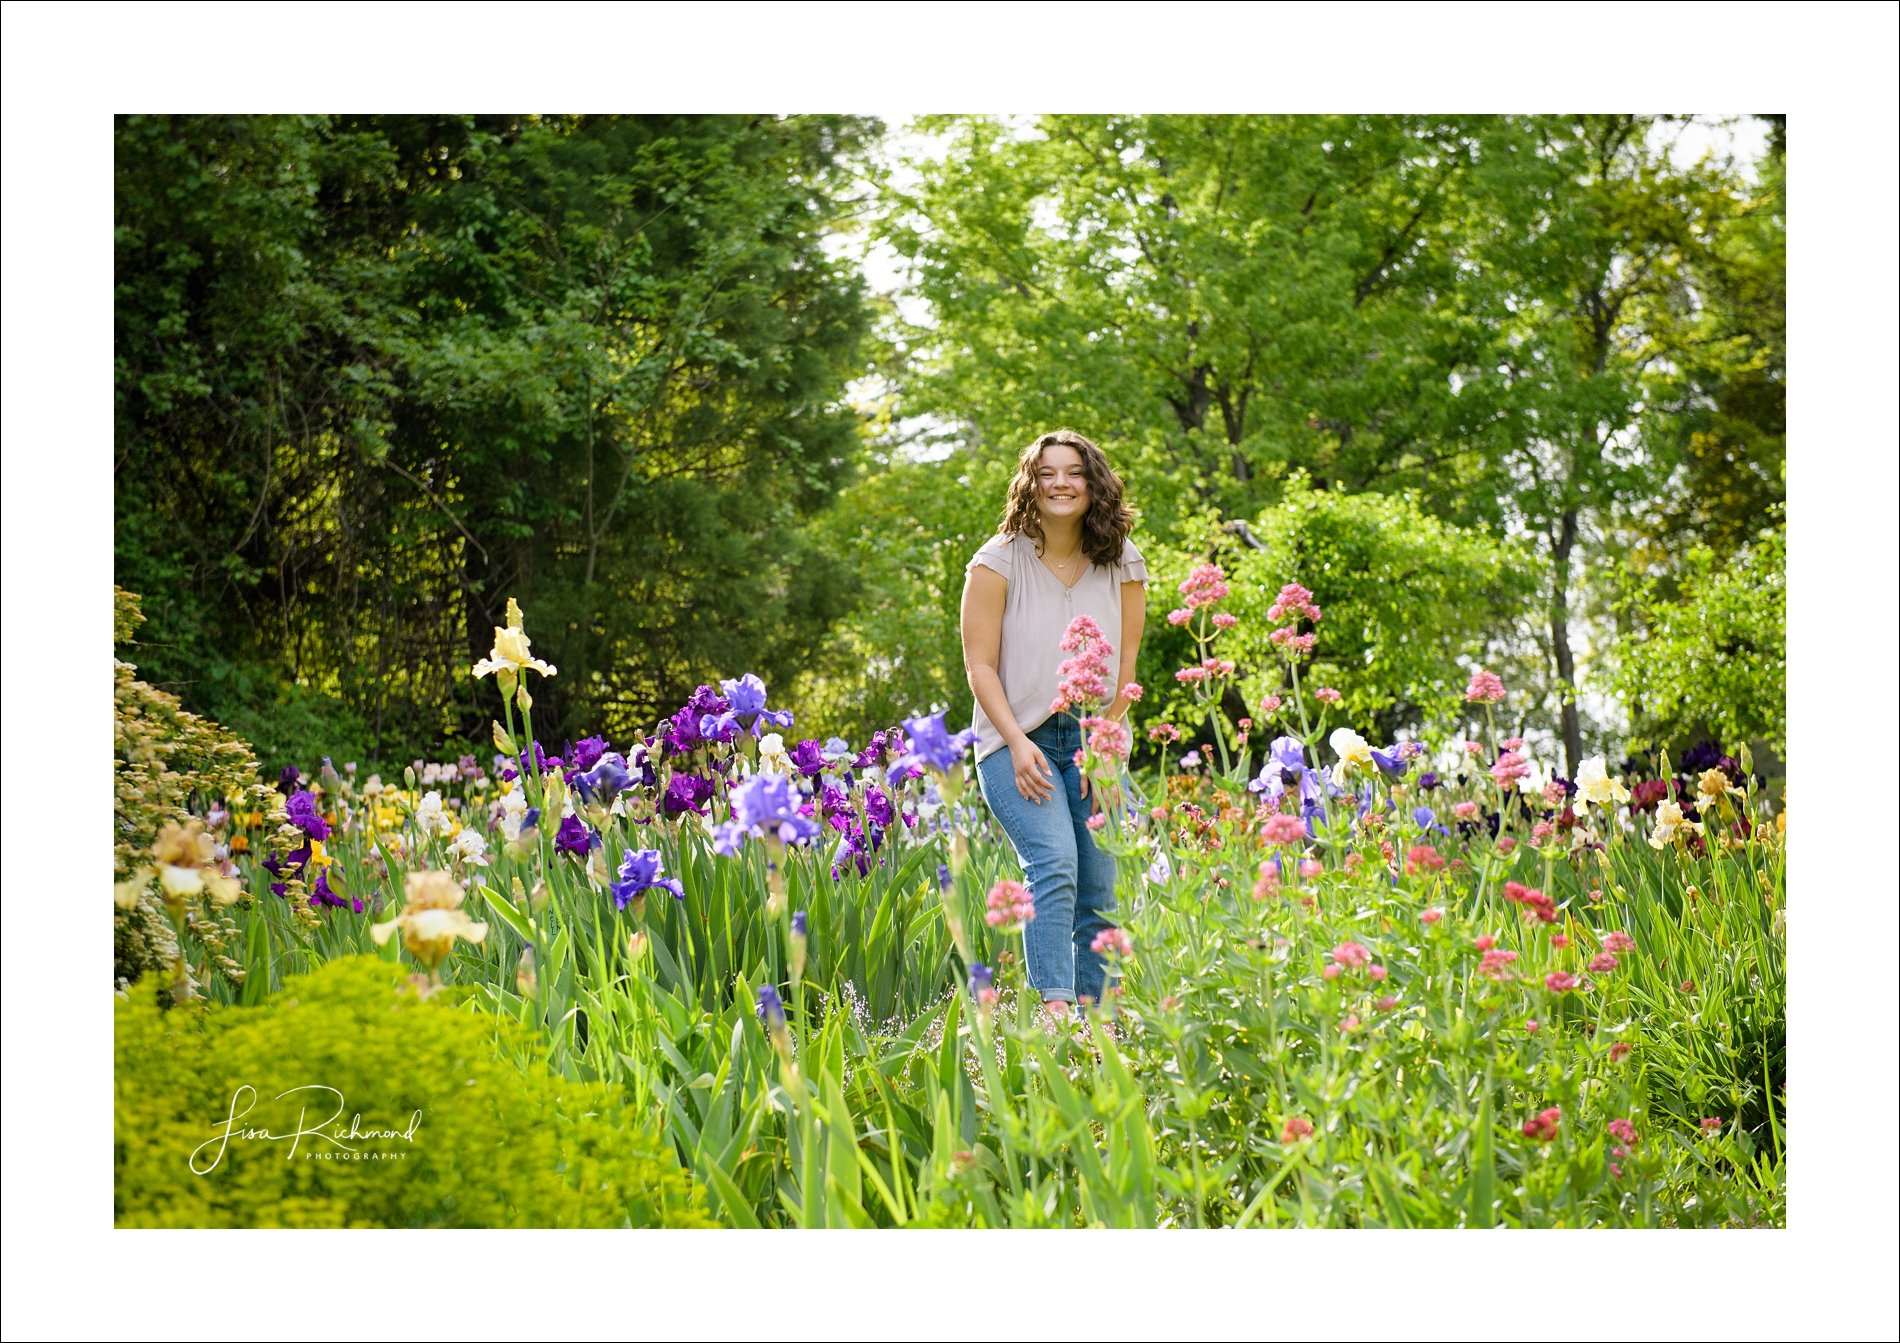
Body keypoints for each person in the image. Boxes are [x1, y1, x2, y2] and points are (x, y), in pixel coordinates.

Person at [960, 428, 1146, 1018]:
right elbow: (979, 665)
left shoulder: (1124, 563)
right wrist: (1015, 741)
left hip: (1095, 742)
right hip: (1018, 742)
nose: (1061, 483)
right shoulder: (997, 561)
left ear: (1094, 483)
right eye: (1047, 473)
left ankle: (1102, 1028)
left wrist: (1107, 748)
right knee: (1055, 863)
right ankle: (1056, 1015)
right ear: (1030, 484)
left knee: (1100, 882)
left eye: (1074, 472)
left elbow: (1127, 669)